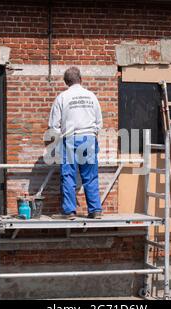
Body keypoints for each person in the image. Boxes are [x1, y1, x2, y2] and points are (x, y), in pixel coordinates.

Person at [48, 66, 103, 219]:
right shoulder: (91, 96)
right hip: (89, 139)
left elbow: (54, 125)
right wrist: (92, 134)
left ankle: (70, 212)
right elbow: (99, 122)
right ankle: (95, 210)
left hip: (70, 139)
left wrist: (61, 138)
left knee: (68, 176)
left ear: (66, 82)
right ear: (81, 79)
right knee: (91, 176)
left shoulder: (62, 97)